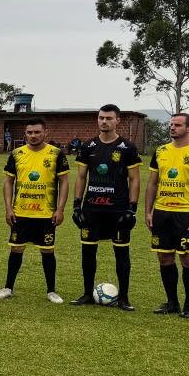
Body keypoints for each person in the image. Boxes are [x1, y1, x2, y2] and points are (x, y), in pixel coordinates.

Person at [145, 112, 189, 319]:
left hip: (186, 215)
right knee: (164, 257)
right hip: (162, 213)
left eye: (177, 125)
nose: (172, 127)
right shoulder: (160, 151)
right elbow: (152, 183)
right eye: (171, 124)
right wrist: (148, 211)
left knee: (188, 258)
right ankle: (172, 302)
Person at [72, 104, 141, 310]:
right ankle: (86, 293)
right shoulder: (88, 146)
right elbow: (81, 176)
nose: (104, 121)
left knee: (121, 253)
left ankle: (124, 297)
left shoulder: (127, 148)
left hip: (118, 209)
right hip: (92, 209)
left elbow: (134, 179)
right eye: (101, 118)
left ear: (117, 120)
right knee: (88, 252)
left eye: (109, 118)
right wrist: (77, 205)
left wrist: (132, 209)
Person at [0, 117, 69, 303]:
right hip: (21, 212)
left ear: (45, 133)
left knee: (47, 251)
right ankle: (8, 287)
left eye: (37, 132)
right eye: (29, 132)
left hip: (46, 213)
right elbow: (8, 182)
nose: (33, 136)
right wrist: (8, 208)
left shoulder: (56, 154)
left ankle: (51, 291)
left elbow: (64, 182)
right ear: (25, 134)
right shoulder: (16, 154)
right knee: (16, 249)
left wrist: (60, 209)